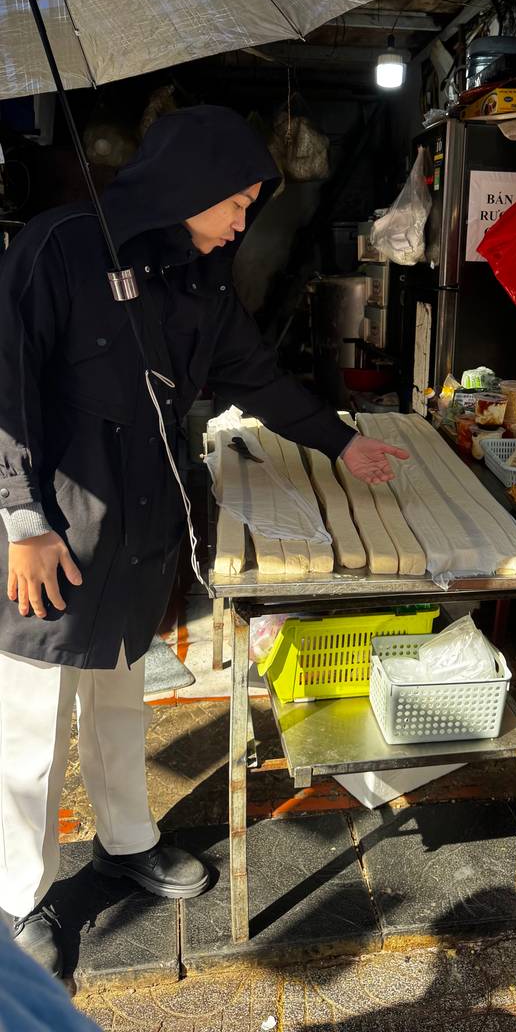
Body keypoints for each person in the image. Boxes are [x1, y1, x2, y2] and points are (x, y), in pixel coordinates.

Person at [0, 106, 408, 978]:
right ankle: (19, 899)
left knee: (117, 699)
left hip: (141, 524)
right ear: (189, 185)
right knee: (30, 728)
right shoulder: (57, 248)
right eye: (236, 202)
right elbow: (6, 389)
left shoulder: (199, 278)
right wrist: (23, 524)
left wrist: (343, 441)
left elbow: (253, 375)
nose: (241, 222)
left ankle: (126, 843)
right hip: (53, 526)